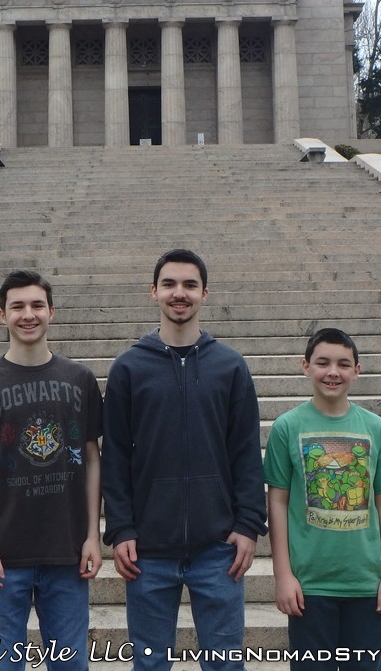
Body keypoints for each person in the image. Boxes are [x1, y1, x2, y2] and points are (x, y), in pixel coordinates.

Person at [102, 248, 267, 671]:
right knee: (150, 664)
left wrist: (248, 525)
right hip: (148, 551)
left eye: (190, 285)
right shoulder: (128, 368)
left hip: (218, 548)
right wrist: (121, 528)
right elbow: (115, 457)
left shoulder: (230, 367)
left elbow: (246, 453)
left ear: (204, 293)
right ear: (153, 291)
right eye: (170, 284)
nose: (180, 293)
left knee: (225, 665)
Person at [0, 270, 103, 671]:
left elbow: (91, 458)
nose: (28, 314)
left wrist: (93, 535)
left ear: (52, 311)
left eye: (37, 305)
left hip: (66, 554)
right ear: (2, 315)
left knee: (70, 665)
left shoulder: (80, 380)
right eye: (17, 306)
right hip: (3, 556)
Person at [263, 327, 381, 671]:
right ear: (305, 366)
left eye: (343, 364)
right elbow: (277, 502)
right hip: (310, 586)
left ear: (357, 370)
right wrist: (283, 575)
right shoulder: (287, 427)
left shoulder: (375, 428)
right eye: (323, 362)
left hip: (366, 585)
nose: (332, 372)